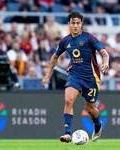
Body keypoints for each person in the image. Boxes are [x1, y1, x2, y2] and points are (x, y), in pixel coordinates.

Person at [41, 11, 109, 143]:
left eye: (78, 23)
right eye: (73, 23)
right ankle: (67, 133)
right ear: (69, 24)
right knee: (68, 100)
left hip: (91, 78)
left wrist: (106, 63)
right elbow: (55, 57)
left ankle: (97, 124)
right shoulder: (65, 41)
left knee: (90, 109)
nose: (76, 26)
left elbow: (103, 52)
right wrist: (47, 75)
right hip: (74, 75)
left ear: (81, 24)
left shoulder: (89, 38)